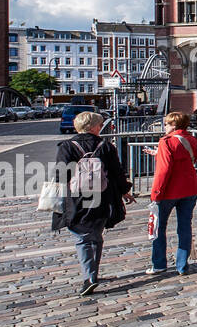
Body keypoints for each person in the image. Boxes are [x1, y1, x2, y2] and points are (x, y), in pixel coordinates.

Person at [52, 111, 136, 296]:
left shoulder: (67, 146)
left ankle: (89, 278)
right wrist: (124, 192)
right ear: (94, 126)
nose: (101, 127)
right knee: (96, 235)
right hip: (102, 197)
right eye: (100, 124)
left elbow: (60, 175)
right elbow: (117, 172)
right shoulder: (105, 146)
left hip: (76, 199)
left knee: (82, 237)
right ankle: (92, 274)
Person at [148, 111, 197, 275]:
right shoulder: (191, 140)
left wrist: (156, 192)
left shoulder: (166, 142)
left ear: (173, 125)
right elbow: (186, 158)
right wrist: (159, 154)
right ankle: (182, 264)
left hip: (169, 190)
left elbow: (163, 171)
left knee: (159, 227)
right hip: (190, 188)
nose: (164, 127)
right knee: (185, 226)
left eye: (166, 124)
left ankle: (159, 263)